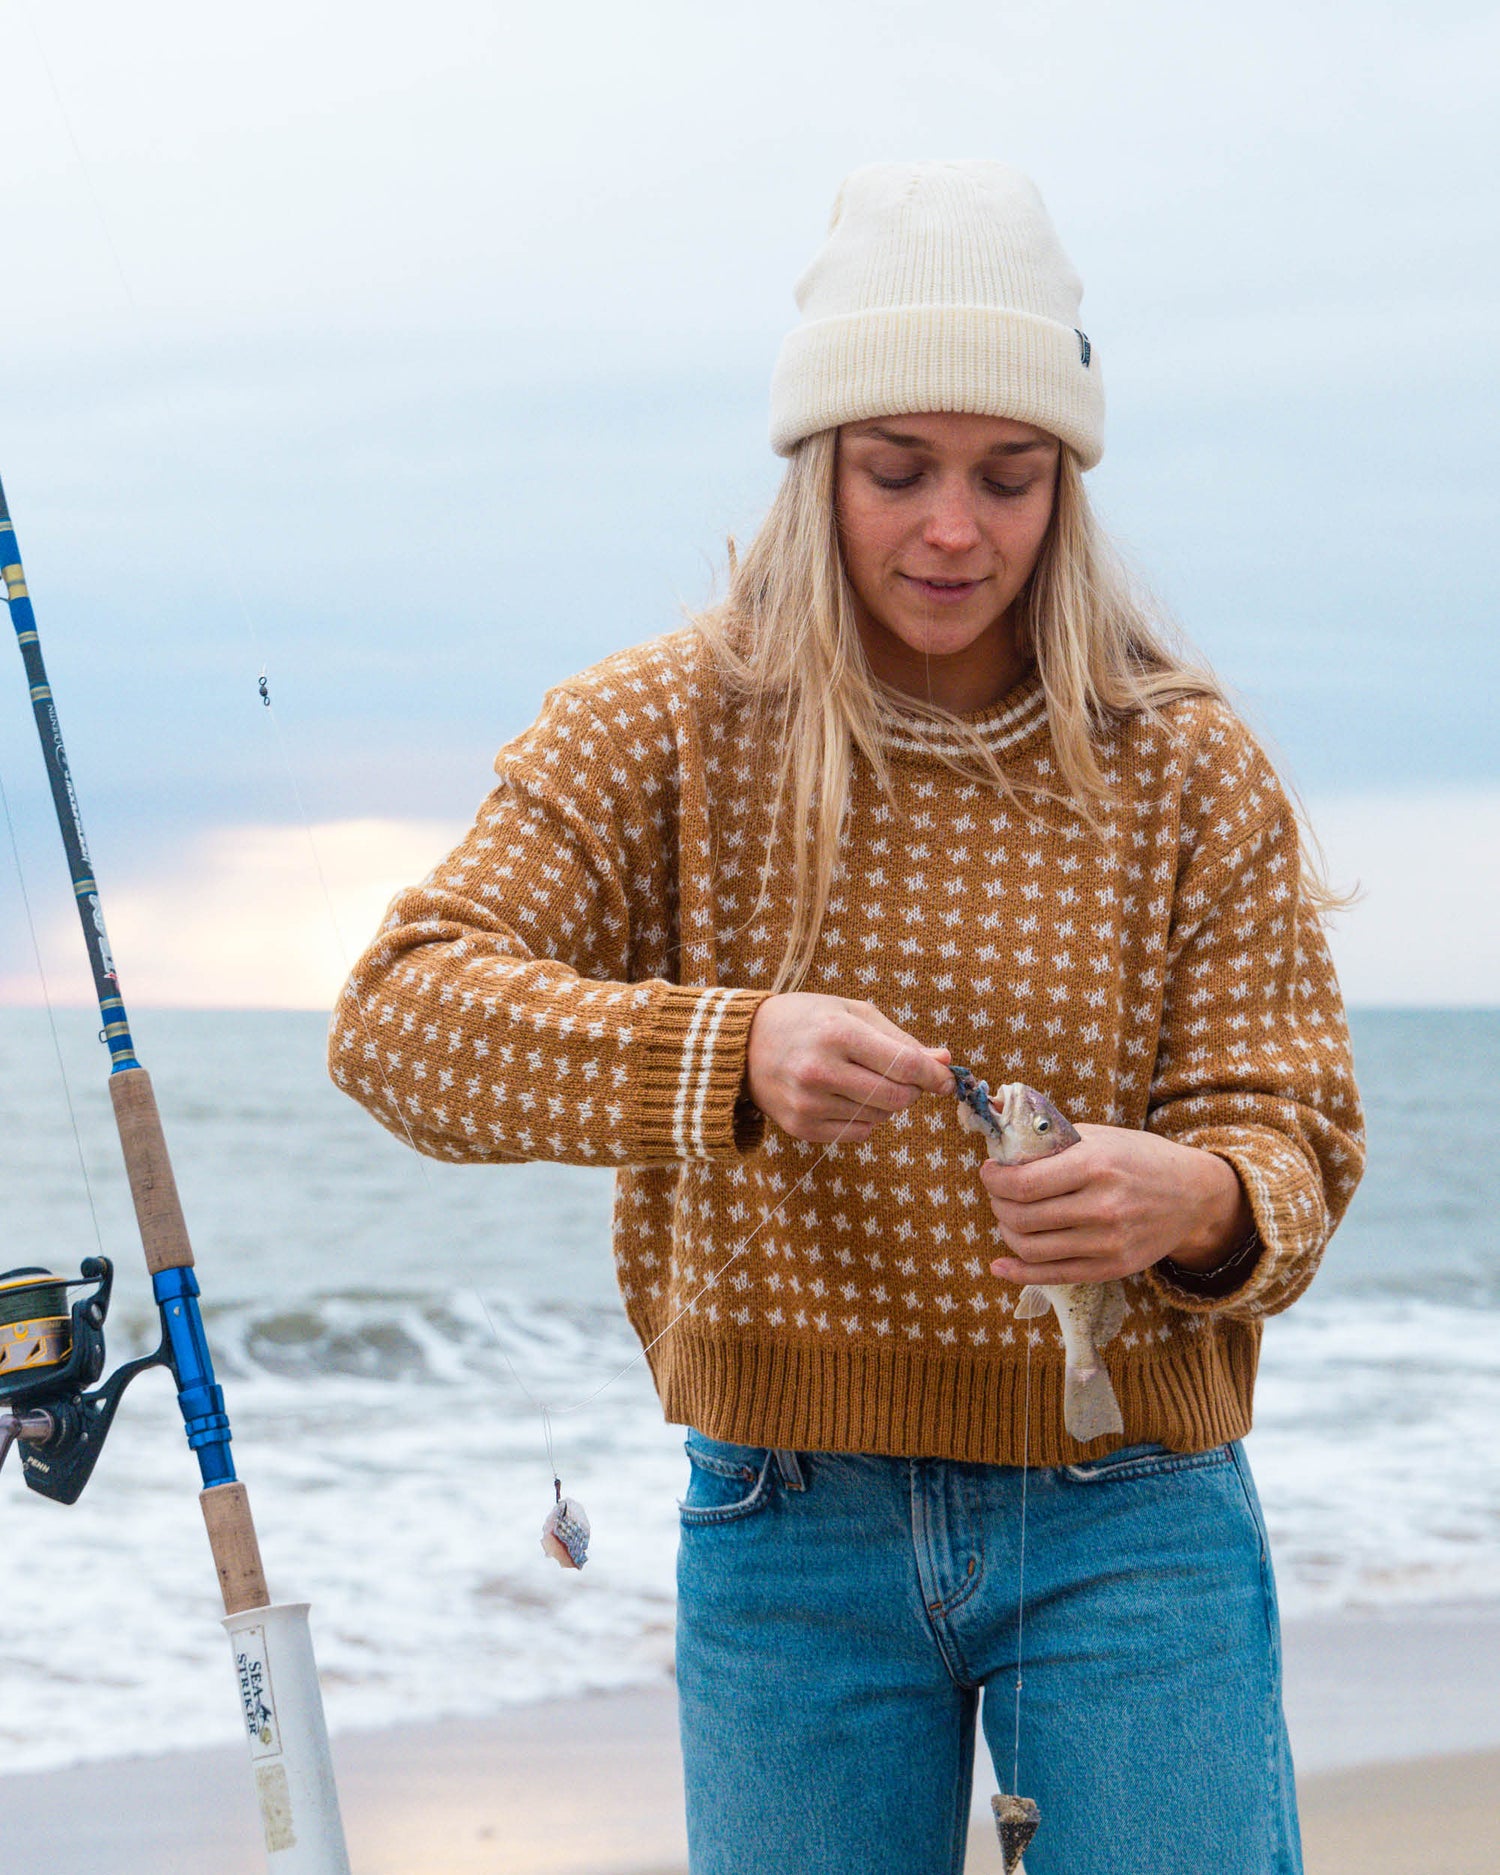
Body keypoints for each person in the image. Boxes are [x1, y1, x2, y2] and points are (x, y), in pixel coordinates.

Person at [330, 161, 1364, 1875]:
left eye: (1009, 476)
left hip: (1134, 1515)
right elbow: (398, 1020)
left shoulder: (1183, 761)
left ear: (1067, 483)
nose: (955, 530)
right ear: (816, 466)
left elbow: (1298, 1140)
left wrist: (1194, 1200)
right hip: (785, 1521)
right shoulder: (665, 723)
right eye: (899, 470)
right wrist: (726, 1053)